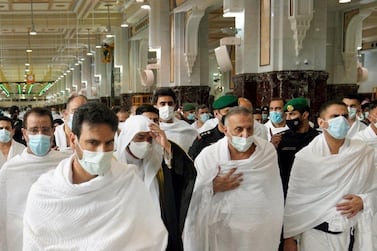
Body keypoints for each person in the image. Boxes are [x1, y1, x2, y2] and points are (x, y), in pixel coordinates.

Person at [23, 102, 168, 250]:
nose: (102, 151)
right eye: (93, 143)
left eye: (109, 143)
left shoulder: (127, 182)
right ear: (73, 140)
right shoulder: (45, 193)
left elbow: (151, 240)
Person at [184, 106, 284, 251]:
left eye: (249, 129)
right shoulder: (209, 155)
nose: (245, 135)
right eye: (239, 129)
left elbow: (273, 192)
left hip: (259, 230)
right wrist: (212, 186)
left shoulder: (266, 151)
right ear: (226, 130)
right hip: (222, 231)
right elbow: (192, 196)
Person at [284, 100, 377, 251]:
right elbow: (295, 199)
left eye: (344, 116)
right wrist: (289, 238)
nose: (341, 120)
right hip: (315, 233)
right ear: (321, 122)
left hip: (351, 233)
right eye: (335, 116)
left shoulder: (362, 152)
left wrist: (364, 201)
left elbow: (374, 188)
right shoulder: (306, 157)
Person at [117, 113, 196, 251]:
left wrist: (167, 146)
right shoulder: (114, 166)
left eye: (149, 138)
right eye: (140, 137)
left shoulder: (159, 163)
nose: (146, 143)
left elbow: (187, 177)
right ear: (128, 138)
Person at [0, 107, 68, 251]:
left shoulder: (65, 165)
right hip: (20, 242)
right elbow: (3, 216)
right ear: (24, 133)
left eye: (45, 130)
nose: (40, 135)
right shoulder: (10, 169)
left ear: (52, 132)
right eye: (34, 130)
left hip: (59, 240)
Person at [276, 97, 319, 198]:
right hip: (287, 189)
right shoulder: (280, 138)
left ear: (304, 115)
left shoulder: (318, 138)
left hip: (311, 189)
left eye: (292, 114)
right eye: (286, 115)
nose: (288, 118)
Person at [188, 95, 239, 160]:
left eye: (235, 111)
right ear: (216, 114)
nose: (232, 115)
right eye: (227, 111)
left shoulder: (243, 137)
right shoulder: (204, 139)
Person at [153, 87, 198, 152]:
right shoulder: (153, 129)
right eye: (163, 104)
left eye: (170, 104)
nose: (167, 107)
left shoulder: (186, 128)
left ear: (174, 105)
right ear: (155, 106)